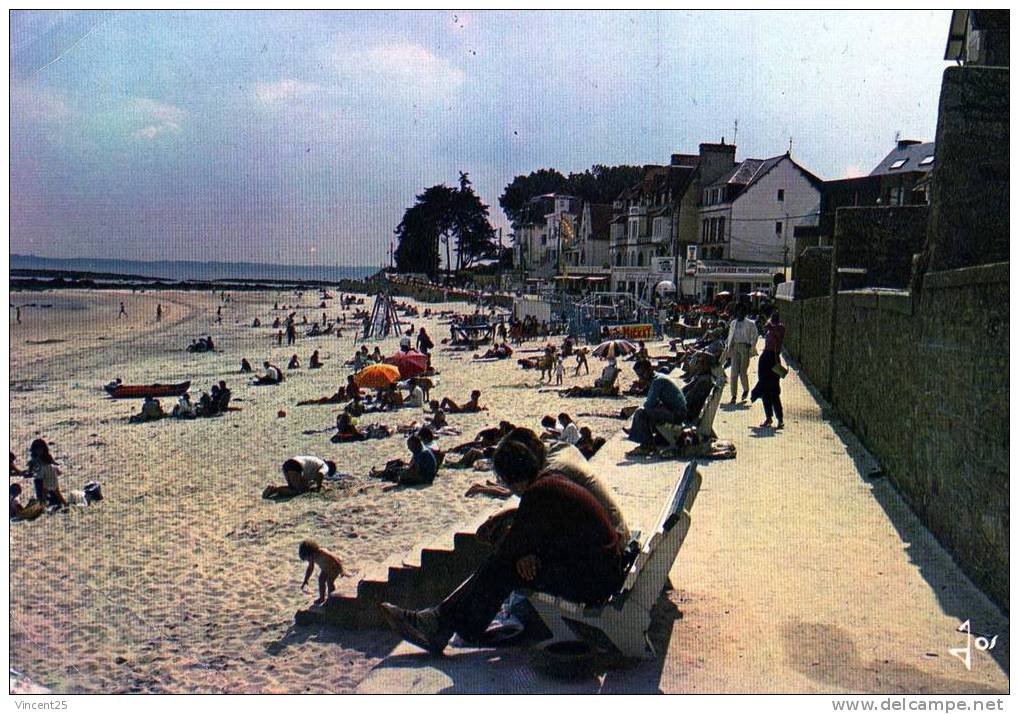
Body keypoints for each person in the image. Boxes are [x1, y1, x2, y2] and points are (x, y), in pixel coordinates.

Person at [380, 438, 623, 653]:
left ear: (511, 479)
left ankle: (441, 623)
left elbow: (510, 548)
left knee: (501, 568)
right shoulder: (551, 481)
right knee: (506, 566)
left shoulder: (538, 493)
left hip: (594, 581)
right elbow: (551, 536)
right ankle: (446, 623)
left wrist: (522, 555)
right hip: (601, 568)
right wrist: (528, 555)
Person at [627, 360, 688, 455]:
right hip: (679, 412)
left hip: (677, 415)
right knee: (647, 411)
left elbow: (649, 404)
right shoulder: (658, 377)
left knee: (640, 412)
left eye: (643, 374)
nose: (641, 377)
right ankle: (644, 435)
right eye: (639, 375)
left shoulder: (657, 381)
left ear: (650, 369)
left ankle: (647, 445)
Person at [751, 308, 786, 429]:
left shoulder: (780, 327)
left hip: (774, 358)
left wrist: (770, 324)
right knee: (765, 389)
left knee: (774, 391)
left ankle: (780, 419)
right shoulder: (769, 326)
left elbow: (777, 334)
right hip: (765, 357)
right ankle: (769, 417)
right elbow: (766, 326)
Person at [369, 435, 437, 486]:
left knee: (397, 471)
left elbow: (415, 470)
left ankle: (378, 474)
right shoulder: (420, 449)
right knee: (397, 463)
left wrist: (403, 471)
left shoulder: (421, 453)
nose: (408, 447)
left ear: (415, 444)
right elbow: (413, 465)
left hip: (424, 478)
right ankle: (379, 473)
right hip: (423, 474)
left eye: (409, 445)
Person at [725, 303, 757, 403]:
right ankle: (733, 395)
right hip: (735, 347)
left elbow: (755, 335)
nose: (740, 313)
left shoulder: (750, 323)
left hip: (745, 347)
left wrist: (751, 344)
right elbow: (730, 336)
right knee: (734, 372)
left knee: (743, 371)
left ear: (745, 312)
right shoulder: (733, 323)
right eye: (738, 311)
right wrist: (727, 346)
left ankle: (746, 390)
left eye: (742, 311)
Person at [263, 456, 337, 499]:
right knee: (298, 491)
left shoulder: (318, 461)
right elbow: (320, 474)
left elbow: (308, 481)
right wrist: (319, 487)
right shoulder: (325, 466)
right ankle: (274, 489)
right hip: (296, 466)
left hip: (288, 464)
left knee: (293, 487)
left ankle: (274, 490)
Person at [299, 540, 345, 605]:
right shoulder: (312, 557)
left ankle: (331, 598)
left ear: (313, 552)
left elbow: (335, 559)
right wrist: (306, 580)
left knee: (330, 582)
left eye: (308, 559)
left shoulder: (323, 553)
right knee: (321, 580)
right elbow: (310, 569)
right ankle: (322, 598)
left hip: (335, 567)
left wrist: (341, 570)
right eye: (308, 560)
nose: (309, 561)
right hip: (325, 568)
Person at [28, 439, 67, 508]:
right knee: (43, 495)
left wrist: (57, 467)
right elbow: (31, 471)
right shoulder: (33, 460)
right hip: (40, 479)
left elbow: (54, 464)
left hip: (50, 476)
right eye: (37, 449)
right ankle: (43, 505)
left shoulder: (48, 458)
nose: (39, 451)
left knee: (56, 494)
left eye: (41, 448)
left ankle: (64, 504)